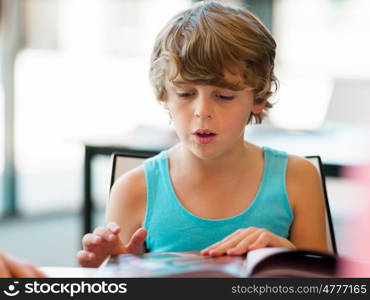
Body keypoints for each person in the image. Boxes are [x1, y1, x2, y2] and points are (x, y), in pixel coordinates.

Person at [77, 1, 328, 268]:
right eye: (185, 94)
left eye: (224, 96)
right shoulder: (133, 190)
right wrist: (110, 271)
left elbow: (323, 285)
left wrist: (284, 253)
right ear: (165, 96)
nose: (203, 111)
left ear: (257, 98)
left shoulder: (297, 178)